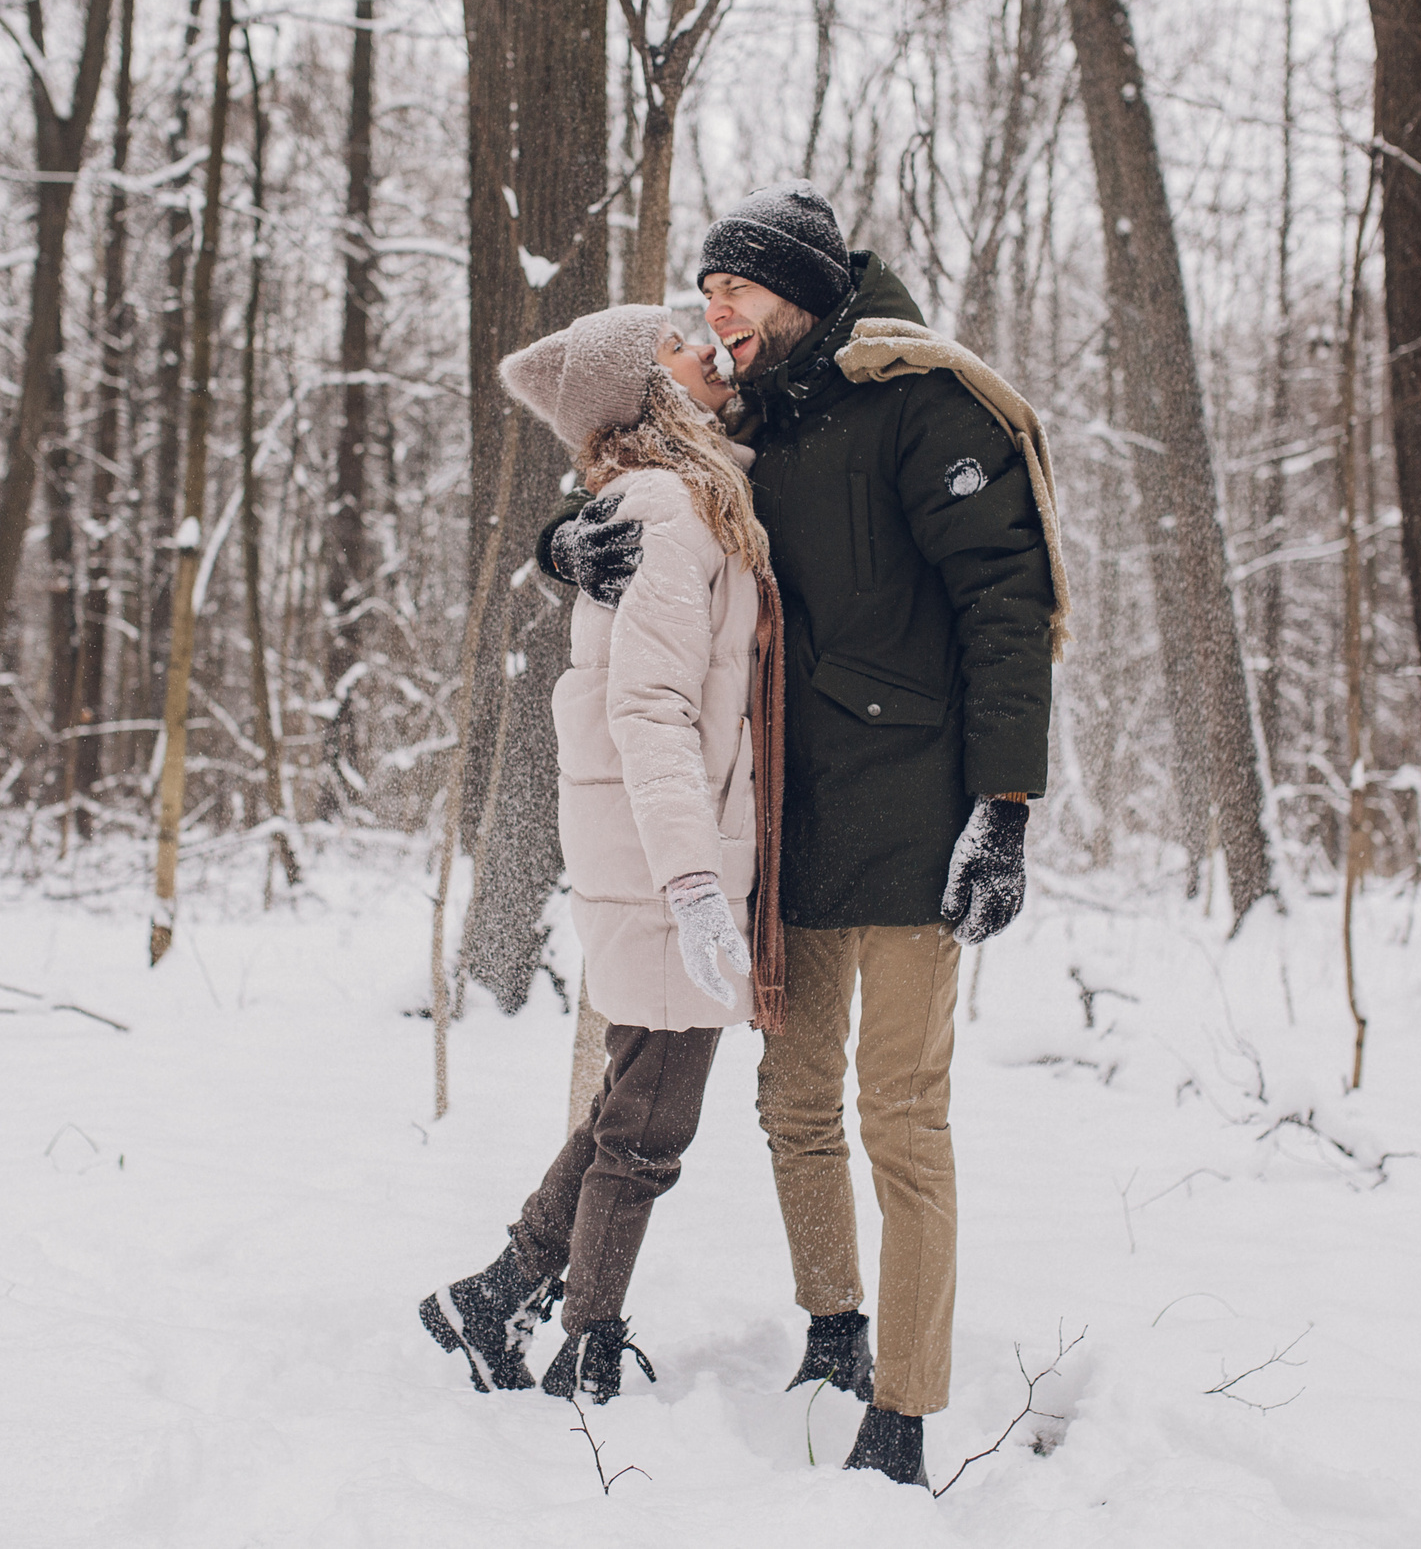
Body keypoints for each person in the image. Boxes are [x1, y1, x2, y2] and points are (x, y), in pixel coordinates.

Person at [541, 184, 1063, 1485]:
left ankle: (906, 1402)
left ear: (813, 295)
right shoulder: (758, 422)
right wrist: (566, 541)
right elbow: (661, 506)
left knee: (901, 1114)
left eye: (742, 285)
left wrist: (1003, 808)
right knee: (791, 1105)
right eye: (707, 284)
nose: (715, 306)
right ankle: (835, 1328)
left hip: (919, 821)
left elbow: (1007, 597)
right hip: (788, 827)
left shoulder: (924, 401)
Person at [420, 305, 784, 1404]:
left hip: (655, 844)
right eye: (681, 341)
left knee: (632, 1097)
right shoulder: (672, 507)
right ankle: (585, 1348)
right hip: (668, 853)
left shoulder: (680, 493)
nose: (709, 347)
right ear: (646, 392)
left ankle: (496, 1296)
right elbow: (653, 706)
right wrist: (695, 882)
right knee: (649, 1127)